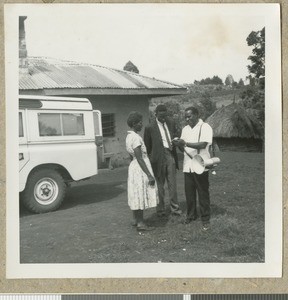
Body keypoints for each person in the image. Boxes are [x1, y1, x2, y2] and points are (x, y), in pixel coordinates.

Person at [174, 106, 213, 231]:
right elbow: (183, 148)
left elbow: (203, 144)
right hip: (188, 166)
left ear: (196, 115)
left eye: (189, 116)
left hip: (200, 165)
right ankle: (191, 216)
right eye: (185, 117)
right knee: (189, 193)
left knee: (202, 192)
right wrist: (178, 144)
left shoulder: (205, 127)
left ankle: (205, 218)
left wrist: (184, 143)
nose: (187, 119)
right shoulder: (185, 129)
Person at [143, 104, 182, 217]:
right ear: (156, 114)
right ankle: (160, 210)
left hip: (170, 155)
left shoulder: (171, 123)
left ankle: (175, 208)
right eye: (161, 116)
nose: (163, 118)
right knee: (159, 186)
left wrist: (175, 140)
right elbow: (147, 146)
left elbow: (175, 135)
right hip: (157, 158)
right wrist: (152, 159)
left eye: (165, 116)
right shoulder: (150, 127)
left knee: (172, 184)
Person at [126, 111, 158, 231]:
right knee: (140, 193)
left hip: (134, 166)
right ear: (134, 124)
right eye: (140, 123)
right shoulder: (135, 138)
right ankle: (140, 222)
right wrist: (149, 175)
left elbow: (132, 156)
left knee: (135, 192)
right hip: (140, 167)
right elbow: (139, 157)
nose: (141, 125)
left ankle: (135, 219)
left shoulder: (129, 136)